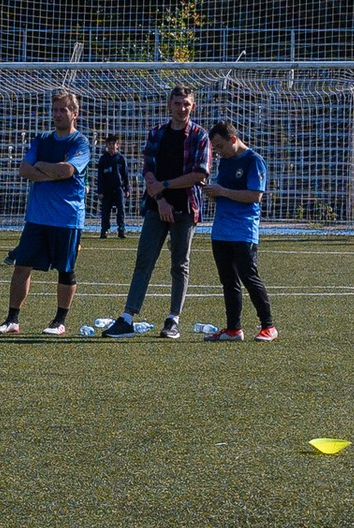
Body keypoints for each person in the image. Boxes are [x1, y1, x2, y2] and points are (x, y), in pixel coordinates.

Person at [101, 87, 208, 338]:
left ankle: (173, 319)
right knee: (144, 261)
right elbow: (148, 170)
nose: (182, 108)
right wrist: (160, 200)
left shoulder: (199, 135)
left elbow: (199, 174)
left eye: (186, 104)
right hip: (156, 207)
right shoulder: (156, 133)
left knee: (180, 265)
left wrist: (165, 186)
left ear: (193, 106)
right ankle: (127, 317)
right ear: (169, 105)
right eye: (177, 103)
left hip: (185, 208)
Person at [0, 90, 90, 337]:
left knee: (65, 270)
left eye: (63, 110)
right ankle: (12, 320)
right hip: (37, 216)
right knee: (22, 266)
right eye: (54, 110)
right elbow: (25, 169)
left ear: (75, 114)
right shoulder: (41, 139)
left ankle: (59, 321)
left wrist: (43, 167)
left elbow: (67, 171)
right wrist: (52, 172)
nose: (57, 114)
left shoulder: (80, 143)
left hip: (67, 218)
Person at [203, 121, 277, 341]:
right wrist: (212, 192)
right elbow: (223, 193)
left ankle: (268, 326)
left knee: (249, 277)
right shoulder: (225, 162)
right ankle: (233, 329)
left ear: (233, 139)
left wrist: (222, 192)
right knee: (228, 281)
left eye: (220, 146)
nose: (218, 152)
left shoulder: (253, 160)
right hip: (220, 230)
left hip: (243, 230)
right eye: (215, 148)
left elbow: (255, 195)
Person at [96, 133, 131, 239]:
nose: (111, 146)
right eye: (109, 144)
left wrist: (127, 189)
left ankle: (121, 230)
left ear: (117, 145)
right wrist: (100, 191)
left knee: (121, 210)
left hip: (118, 188)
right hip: (107, 189)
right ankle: (104, 230)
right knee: (106, 210)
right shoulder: (103, 159)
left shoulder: (121, 158)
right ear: (107, 145)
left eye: (113, 144)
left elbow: (125, 175)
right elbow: (100, 176)